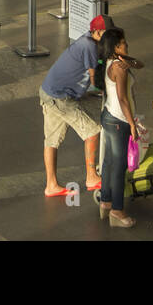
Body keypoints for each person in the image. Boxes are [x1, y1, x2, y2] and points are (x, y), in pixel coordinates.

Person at [40, 14, 111, 197]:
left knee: (52, 141)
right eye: (106, 32)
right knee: (93, 131)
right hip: (61, 98)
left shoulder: (86, 41)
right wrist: (103, 88)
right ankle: (91, 176)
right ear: (97, 32)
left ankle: (51, 185)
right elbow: (93, 75)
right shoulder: (88, 46)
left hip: (50, 91)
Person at [97, 29, 144, 227]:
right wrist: (132, 124)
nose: (127, 45)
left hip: (108, 116)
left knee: (108, 162)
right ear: (116, 47)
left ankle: (106, 201)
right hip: (119, 121)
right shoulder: (119, 68)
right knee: (119, 167)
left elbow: (140, 64)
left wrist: (128, 61)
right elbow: (123, 98)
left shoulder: (113, 62)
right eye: (124, 43)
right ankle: (117, 210)